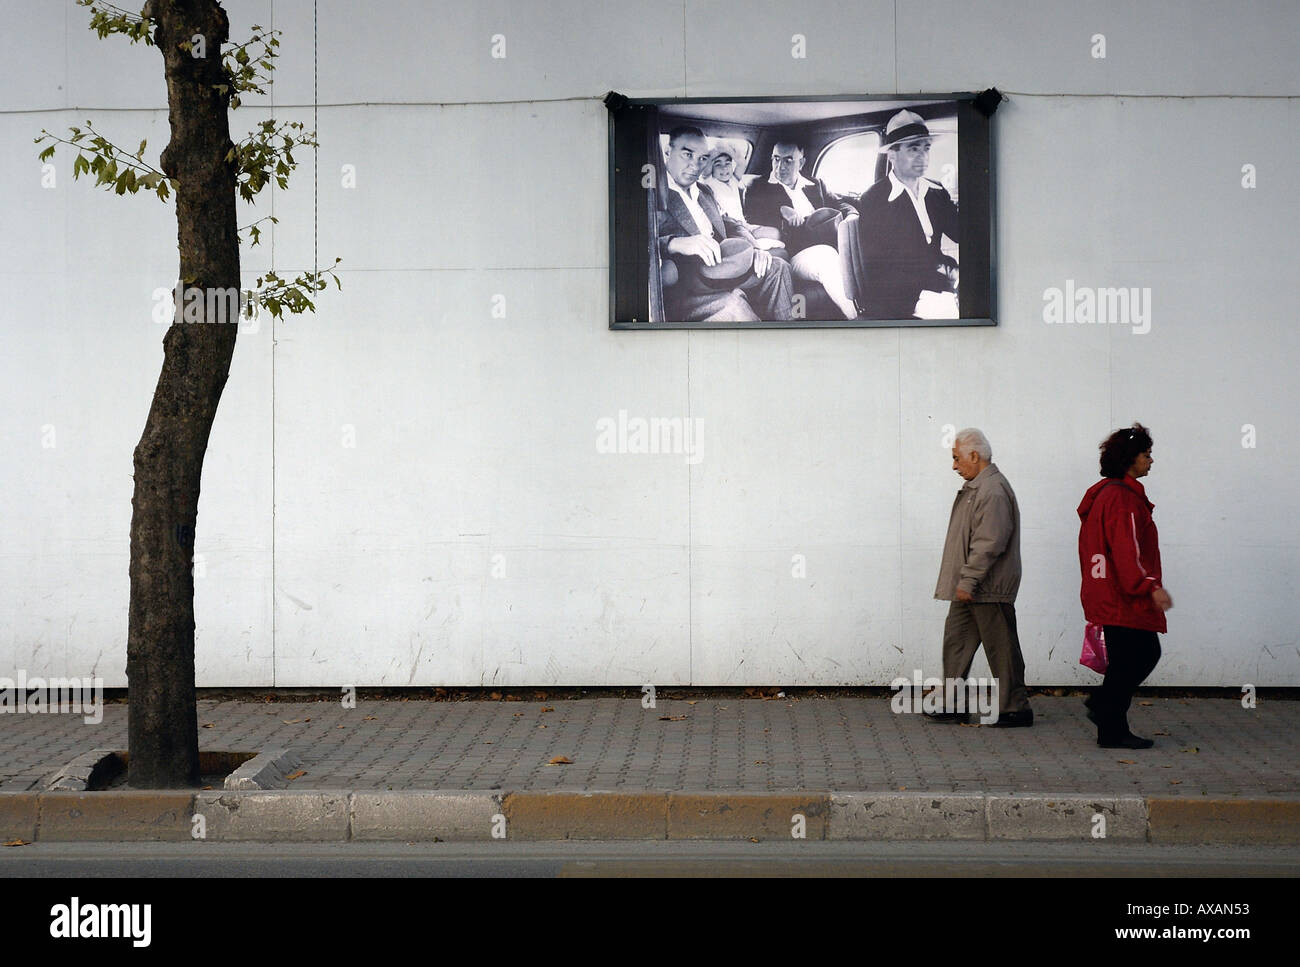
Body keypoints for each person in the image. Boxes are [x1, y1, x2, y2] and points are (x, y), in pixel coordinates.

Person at [1077, 424, 1172, 749]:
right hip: (1122, 595)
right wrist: (1148, 585)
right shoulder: (1123, 500)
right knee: (1145, 653)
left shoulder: (1105, 494)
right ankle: (1105, 708)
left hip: (1105, 592)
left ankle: (1110, 727)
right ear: (1131, 458)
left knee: (1124, 660)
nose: (1151, 461)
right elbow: (1127, 550)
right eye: (1146, 454)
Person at [931, 428, 1032, 726]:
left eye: (956, 458)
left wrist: (969, 580)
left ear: (974, 455)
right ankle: (952, 703)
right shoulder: (978, 488)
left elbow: (990, 541)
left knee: (1001, 648)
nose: (953, 465)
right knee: (956, 643)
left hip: (986, 587)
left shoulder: (992, 490)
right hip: (970, 586)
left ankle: (1015, 708)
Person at [655, 126, 793, 322]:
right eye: (687, 154)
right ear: (668, 152)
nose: (695, 165)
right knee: (735, 307)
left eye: (702, 158)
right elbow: (634, 243)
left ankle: (788, 340)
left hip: (724, 267)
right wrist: (673, 243)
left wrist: (753, 249)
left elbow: (730, 224)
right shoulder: (652, 193)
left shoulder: (704, 191)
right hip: (689, 286)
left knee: (778, 266)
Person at [855, 110, 960, 320]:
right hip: (899, 300)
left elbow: (961, 233)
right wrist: (938, 292)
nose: (923, 157)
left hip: (938, 286)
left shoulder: (937, 192)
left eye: (926, 148)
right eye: (914, 149)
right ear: (892, 155)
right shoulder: (873, 200)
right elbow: (880, 271)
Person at [743, 139, 860, 320]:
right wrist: (781, 213)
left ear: (802, 162)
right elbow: (754, 224)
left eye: (788, 160)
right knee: (826, 256)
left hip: (830, 243)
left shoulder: (816, 184)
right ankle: (856, 319)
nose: (779, 166)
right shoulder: (758, 188)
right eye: (775, 159)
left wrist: (851, 216)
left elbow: (840, 204)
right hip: (792, 254)